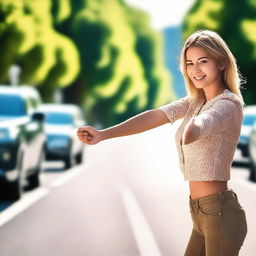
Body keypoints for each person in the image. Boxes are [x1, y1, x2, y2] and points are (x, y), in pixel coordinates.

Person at [77, 29, 247, 256]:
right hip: (200, 214)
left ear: (221, 63)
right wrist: (103, 134)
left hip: (220, 213)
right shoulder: (194, 102)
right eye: (190, 63)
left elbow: (208, 120)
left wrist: (193, 128)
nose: (195, 69)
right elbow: (155, 116)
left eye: (203, 61)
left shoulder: (229, 103)